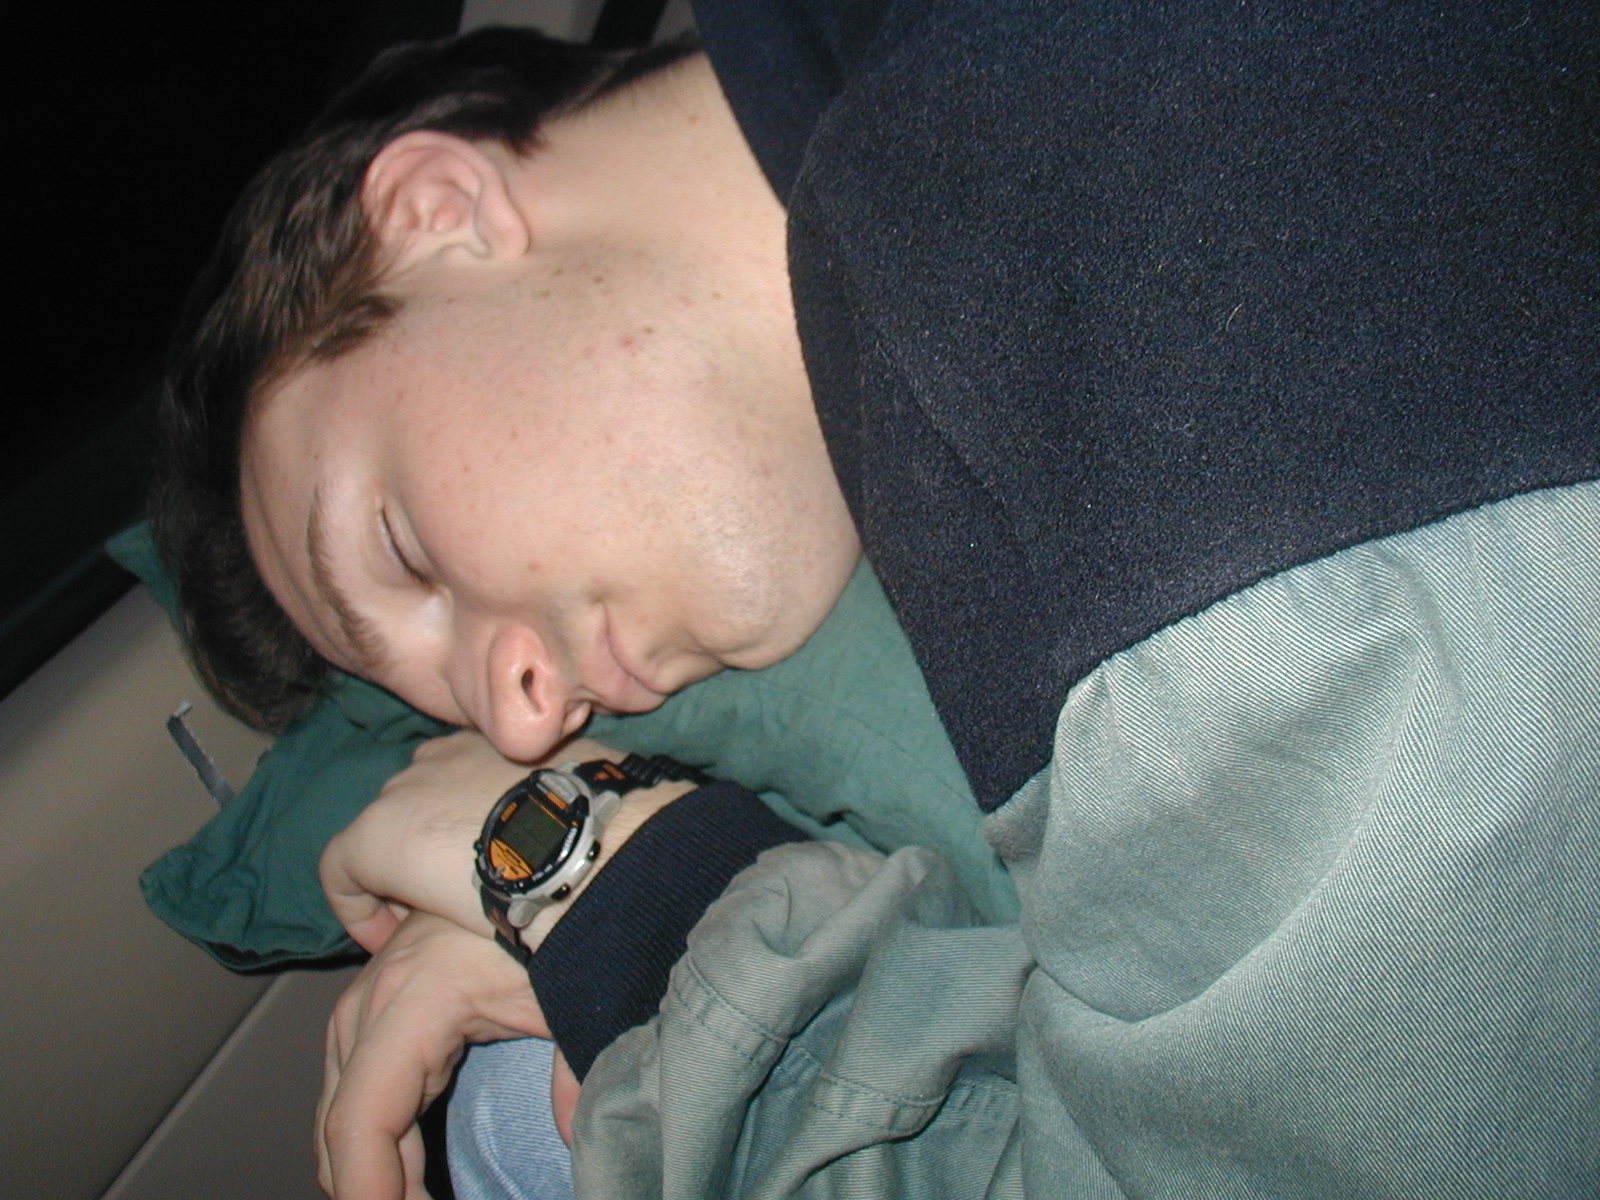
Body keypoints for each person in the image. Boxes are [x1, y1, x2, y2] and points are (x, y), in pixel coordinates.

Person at [153, 3, 1600, 1199]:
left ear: (437, 211)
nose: (526, 718)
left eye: (402, 549)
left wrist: (603, 883)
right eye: (441, 693)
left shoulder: (1151, 273)